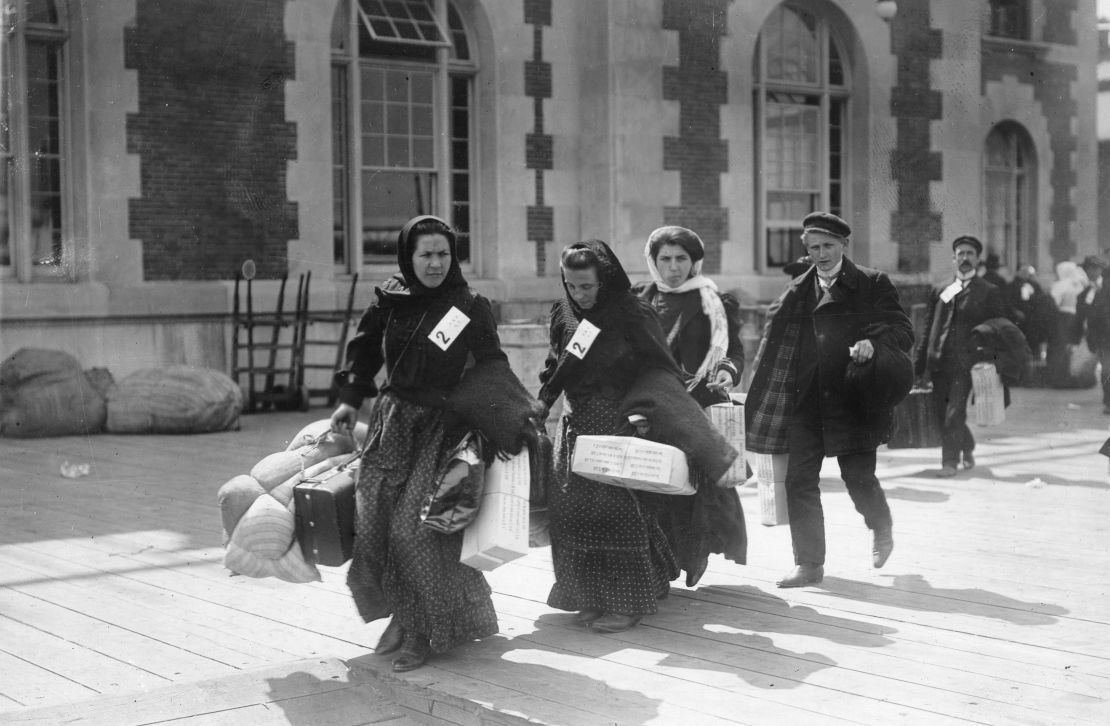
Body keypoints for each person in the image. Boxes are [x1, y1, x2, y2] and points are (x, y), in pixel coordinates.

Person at [330, 215, 541, 672]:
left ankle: (423, 632)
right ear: (408, 257)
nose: (434, 263)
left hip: (442, 430)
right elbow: (364, 350)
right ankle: (404, 617)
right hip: (392, 425)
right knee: (375, 529)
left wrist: (513, 415)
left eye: (443, 254)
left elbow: (491, 365)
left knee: (417, 531)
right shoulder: (390, 299)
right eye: (425, 254)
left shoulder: (469, 305)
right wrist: (350, 399)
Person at [538, 239, 736, 632]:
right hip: (575, 424)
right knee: (573, 514)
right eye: (571, 286)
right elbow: (556, 361)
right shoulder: (564, 311)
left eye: (587, 287)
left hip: (619, 421)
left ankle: (629, 602)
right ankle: (591, 596)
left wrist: (642, 412)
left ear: (605, 280)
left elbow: (660, 370)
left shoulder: (632, 314)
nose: (579, 295)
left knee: (617, 513)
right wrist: (543, 400)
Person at [745, 212, 913, 588]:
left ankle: (880, 525)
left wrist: (876, 341)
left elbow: (903, 330)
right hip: (805, 401)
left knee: (858, 477)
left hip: (854, 399)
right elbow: (775, 342)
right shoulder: (797, 289)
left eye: (828, 246)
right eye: (813, 247)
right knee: (800, 481)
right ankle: (809, 564)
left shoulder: (871, 282)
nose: (820, 254)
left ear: (843, 246)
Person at [631, 225, 748, 586]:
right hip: (649, 402)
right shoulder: (639, 299)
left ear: (695, 261)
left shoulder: (712, 300)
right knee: (651, 483)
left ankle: (693, 551)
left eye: (682, 258)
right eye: (664, 259)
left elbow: (734, 350)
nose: (673, 267)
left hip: (697, 402)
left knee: (693, 488)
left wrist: (728, 370)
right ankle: (658, 563)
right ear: (653, 261)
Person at [915, 235, 1006, 477]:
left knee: (954, 413)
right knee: (939, 413)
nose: (965, 258)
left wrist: (989, 359)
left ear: (978, 259)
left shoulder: (989, 291)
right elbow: (929, 328)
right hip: (939, 362)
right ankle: (967, 444)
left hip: (967, 365)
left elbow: (997, 330)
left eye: (970, 254)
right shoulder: (941, 290)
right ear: (954, 257)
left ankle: (949, 462)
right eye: (961, 253)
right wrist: (919, 364)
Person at [1047, 260, 1091, 387]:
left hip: (1063, 318)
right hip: (1077, 318)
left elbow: (1054, 301)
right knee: (1072, 348)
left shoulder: (1061, 285)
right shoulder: (1080, 283)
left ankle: (1059, 378)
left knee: (1060, 348)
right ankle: (1072, 377)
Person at [1076, 255, 1110, 413]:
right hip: (1102, 339)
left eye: (1095, 268)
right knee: (1106, 370)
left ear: (1101, 270)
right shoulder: (1086, 292)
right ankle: (1108, 402)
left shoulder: (1107, 287)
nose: (1091, 272)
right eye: (1088, 268)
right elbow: (1083, 315)